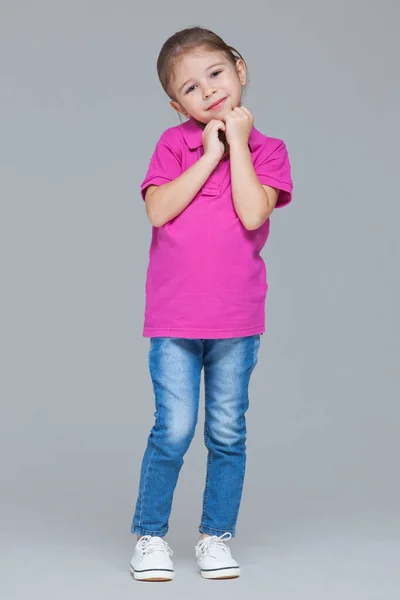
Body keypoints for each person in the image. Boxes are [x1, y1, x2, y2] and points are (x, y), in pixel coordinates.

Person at [129, 26, 293, 582]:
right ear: (178, 104)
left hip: (237, 321)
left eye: (216, 74)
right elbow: (157, 210)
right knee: (173, 429)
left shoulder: (269, 151)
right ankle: (150, 536)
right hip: (175, 319)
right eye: (192, 89)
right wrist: (208, 154)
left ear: (239, 69)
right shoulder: (174, 144)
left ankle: (215, 536)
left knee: (226, 431)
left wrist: (240, 145)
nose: (209, 92)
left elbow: (253, 213)